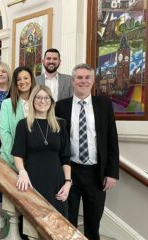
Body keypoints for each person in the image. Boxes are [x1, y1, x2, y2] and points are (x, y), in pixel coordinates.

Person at [55, 63, 119, 240]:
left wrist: (111, 173)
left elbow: (112, 140)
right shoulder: (61, 106)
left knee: (93, 222)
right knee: (68, 220)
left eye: (87, 77)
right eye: (79, 78)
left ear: (93, 81)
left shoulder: (104, 104)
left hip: (96, 173)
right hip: (69, 172)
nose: (83, 81)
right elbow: (57, 143)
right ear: (73, 81)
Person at [12, 85, 71, 217]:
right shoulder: (24, 124)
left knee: (57, 224)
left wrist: (68, 183)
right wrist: (22, 172)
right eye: (38, 97)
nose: (42, 101)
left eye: (46, 98)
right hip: (32, 181)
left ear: (51, 101)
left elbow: (65, 157)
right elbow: (18, 154)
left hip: (57, 183)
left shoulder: (60, 124)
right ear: (32, 100)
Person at [0, 66, 36, 170]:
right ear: (15, 83)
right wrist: (16, 159)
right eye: (18, 79)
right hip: (11, 161)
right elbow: (5, 134)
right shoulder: (7, 104)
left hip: (35, 161)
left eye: (26, 78)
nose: (22, 82)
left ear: (32, 80)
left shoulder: (39, 103)